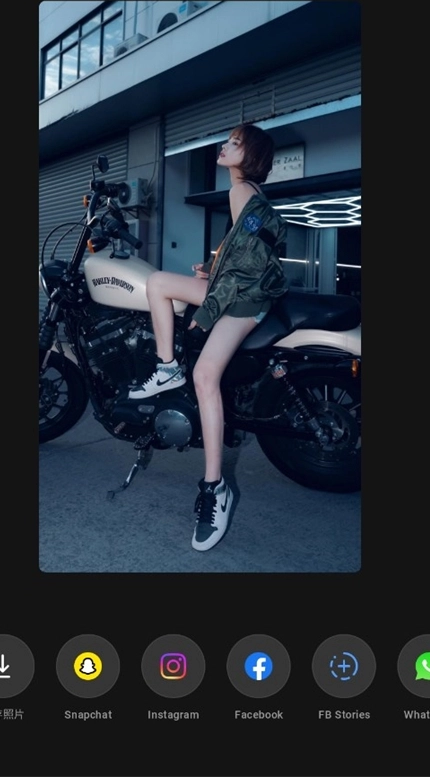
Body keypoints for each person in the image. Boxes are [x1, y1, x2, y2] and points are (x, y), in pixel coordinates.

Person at [128, 123, 287, 551]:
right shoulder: (249, 192)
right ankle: (166, 368)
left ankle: (215, 488)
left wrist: (210, 308)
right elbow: (246, 252)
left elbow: (249, 267)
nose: (225, 146)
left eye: (235, 143)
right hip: (244, 292)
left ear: (250, 154)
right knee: (160, 282)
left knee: (204, 375)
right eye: (228, 140)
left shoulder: (242, 191)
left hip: (246, 301)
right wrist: (210, 270)